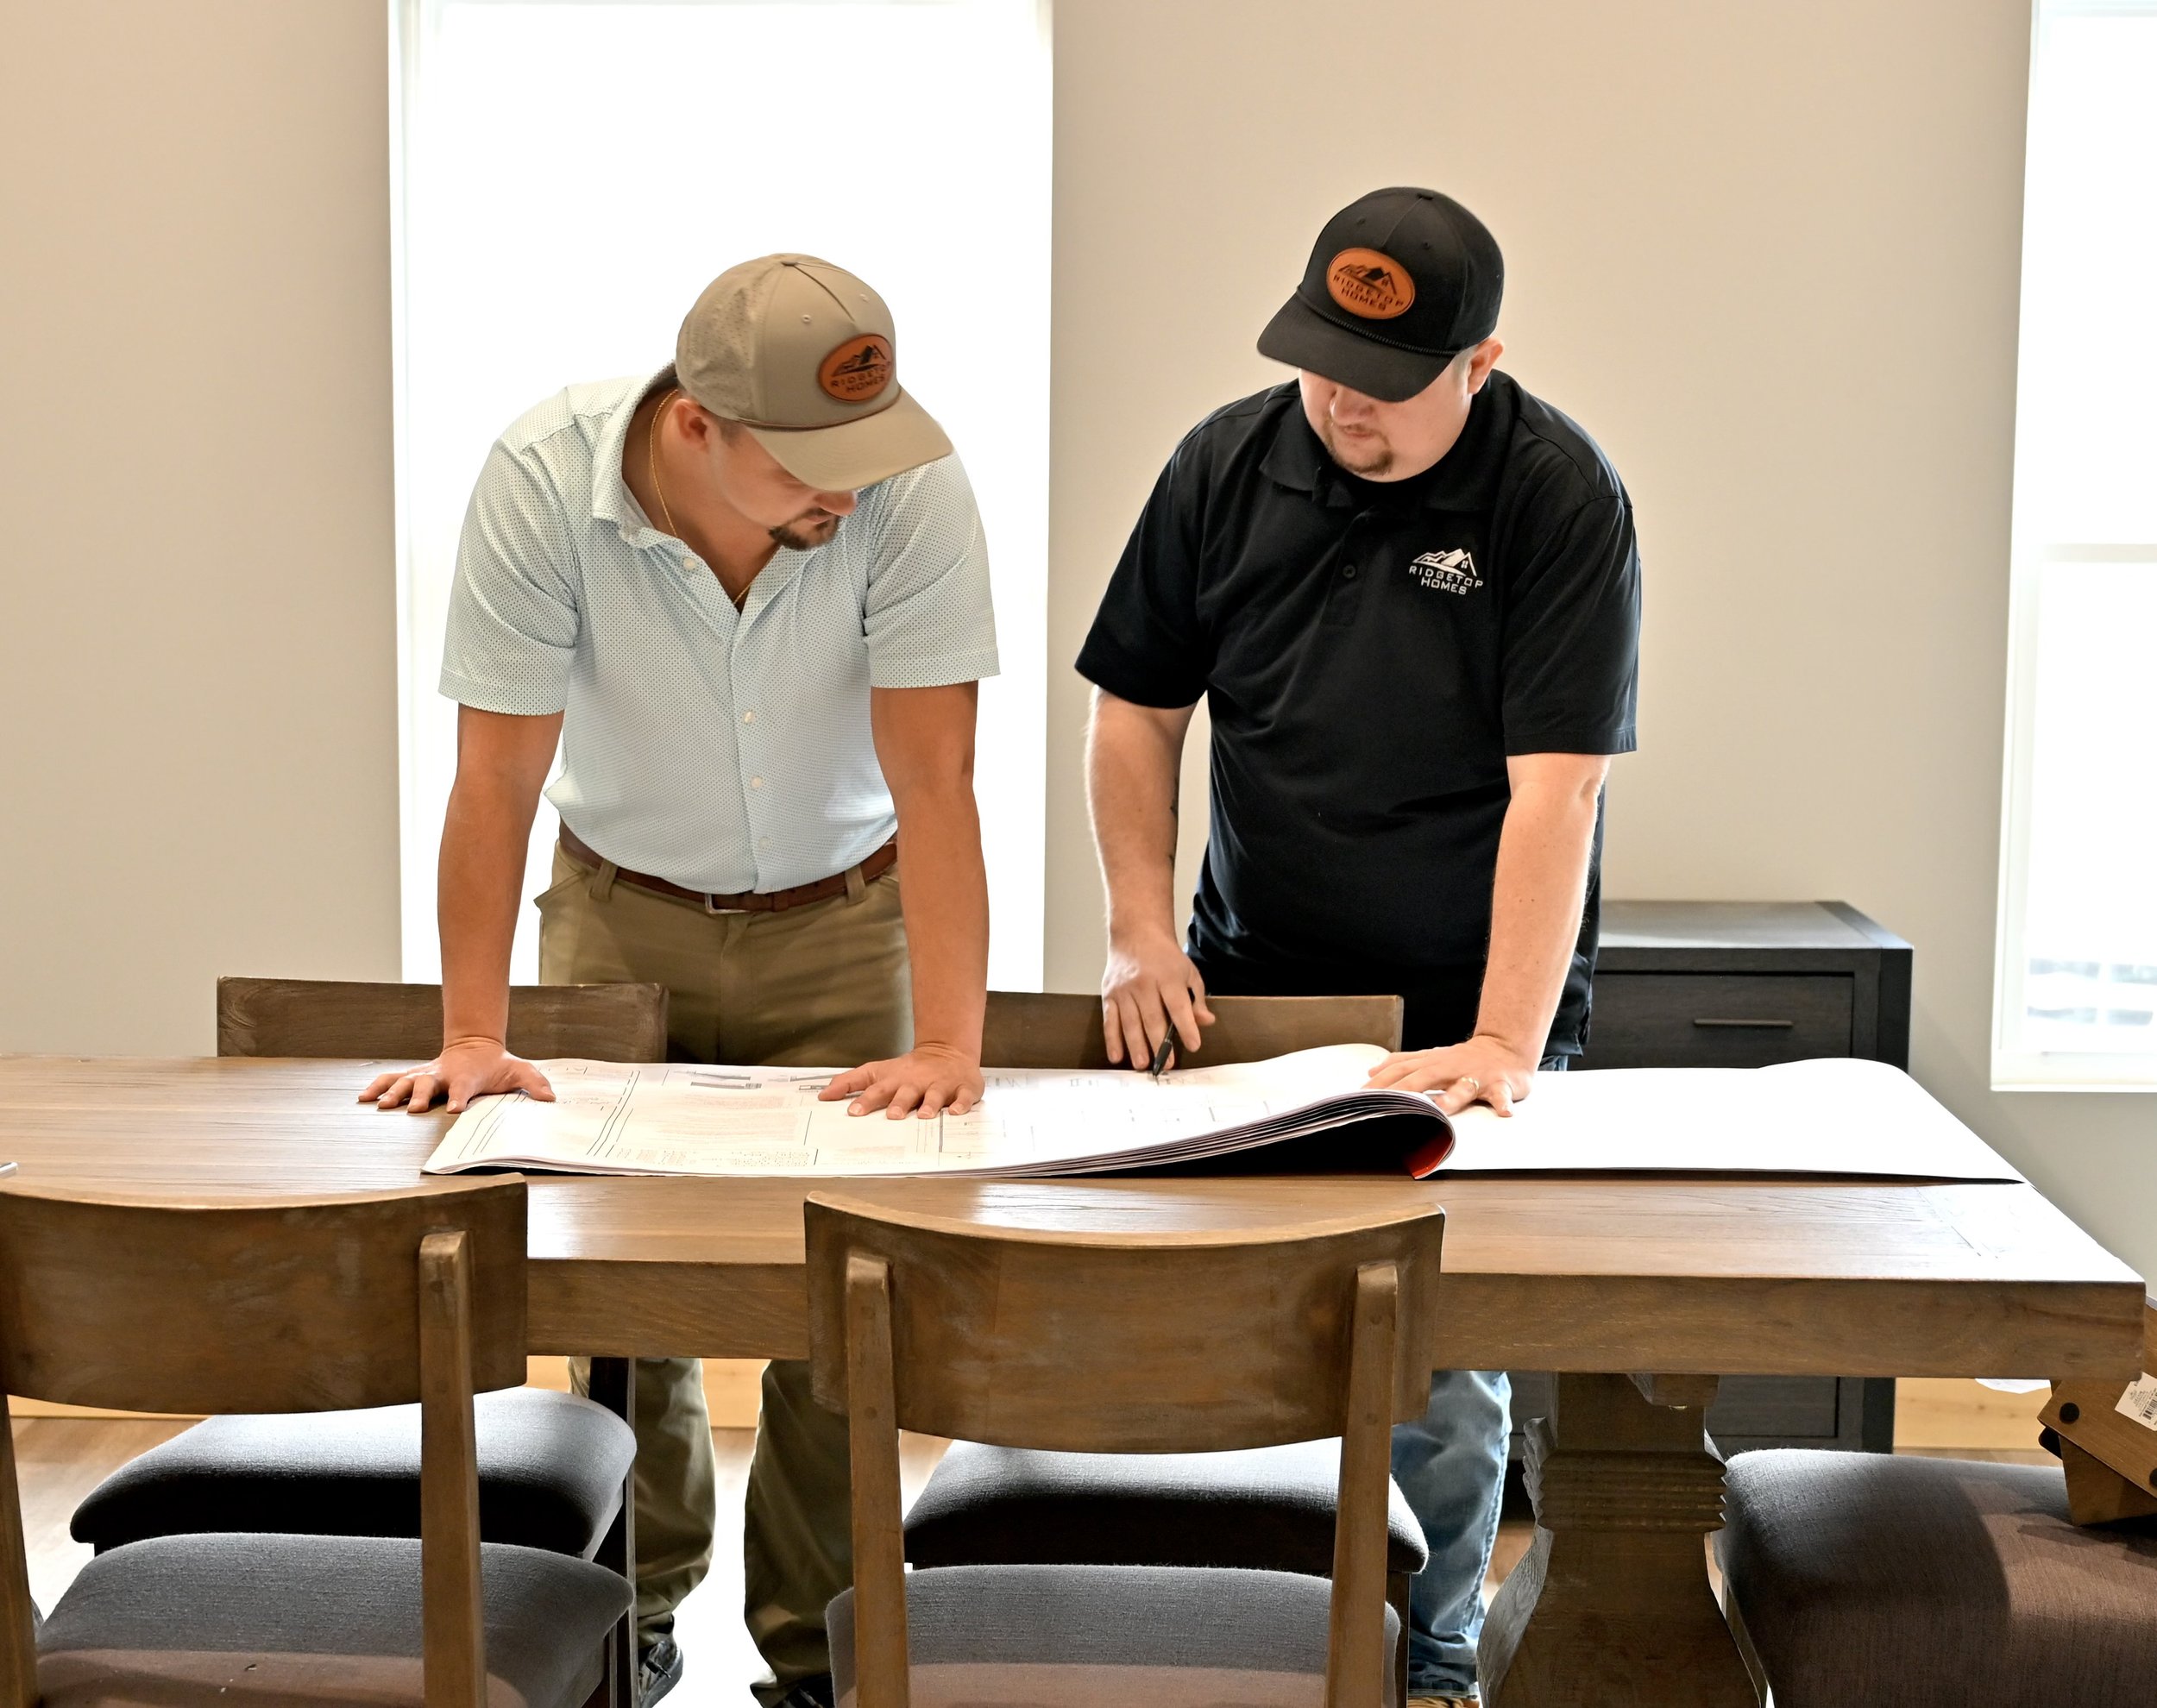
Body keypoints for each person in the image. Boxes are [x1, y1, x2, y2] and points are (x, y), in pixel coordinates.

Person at [363, 254, 997, 1708]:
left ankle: (817, 1655)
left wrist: (953, 1041)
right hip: (618, 913)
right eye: (808, 464)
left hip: (849, 915)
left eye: (863, 449)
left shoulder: (911, 489)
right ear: (696, 426)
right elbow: (495, 779)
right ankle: (626, 1627)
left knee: (853, 1304)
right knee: (614, 1308)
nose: (846, 488)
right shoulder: (541, 479)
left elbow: (937, 778)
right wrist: (473, 1031)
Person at [1078, 186, 1640, 1707]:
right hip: (1253, 969)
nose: (1345, 406)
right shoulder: (1227, 461)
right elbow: (1136, 712)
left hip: (1472, 993)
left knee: (1441, 1351)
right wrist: (1138, 935)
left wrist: (1511, 1040)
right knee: (1243, 1309)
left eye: (1385, 386)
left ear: (1480, 361)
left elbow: (1561, 786)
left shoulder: (1556, 494)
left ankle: (1433, 1649)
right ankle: (1244, 1626)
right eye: (1323, 362)